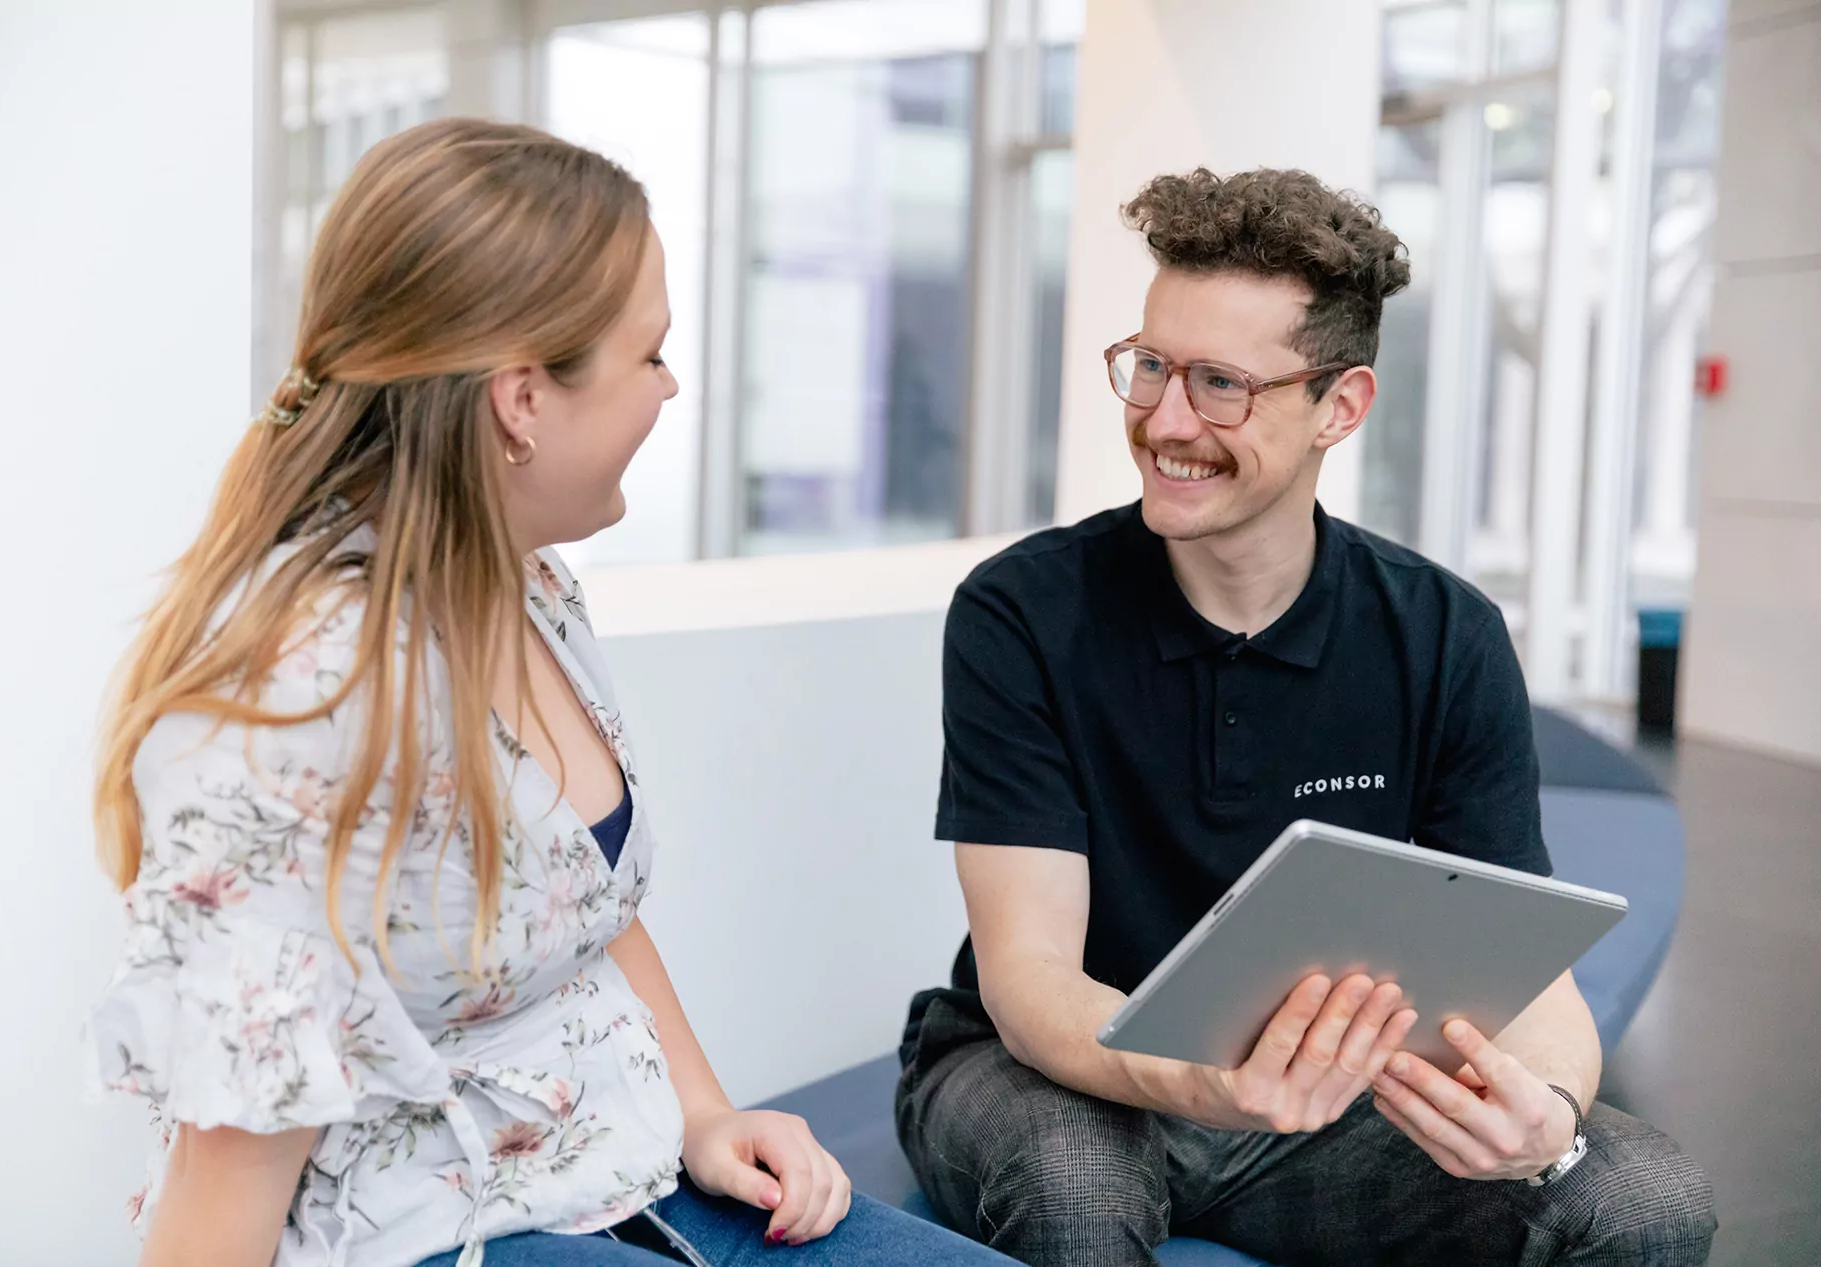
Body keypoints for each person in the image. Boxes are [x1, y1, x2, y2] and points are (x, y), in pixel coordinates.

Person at [84, 117, 1010, 1267]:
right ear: (523, 400)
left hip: (627, 1167)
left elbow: (589, 910)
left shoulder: (529, 583)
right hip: (430, 1234)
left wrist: (707, 1110)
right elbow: (224, 1179)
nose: (673, 388)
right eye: (652, 355)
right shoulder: (302, 700)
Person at [894, 167, 1717, 1266]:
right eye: (1150, 367)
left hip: (1321, 1106)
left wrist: (1550, 1114)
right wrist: (1199, 1082)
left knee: (1645, 1197)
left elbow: (1530, 969)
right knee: (1078, 1179)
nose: (1164, 419)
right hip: (1060, 1077)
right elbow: (1028, 976)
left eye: (1220, 383)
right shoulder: (1022, 612)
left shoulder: (1443, 634)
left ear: (1340, 405)